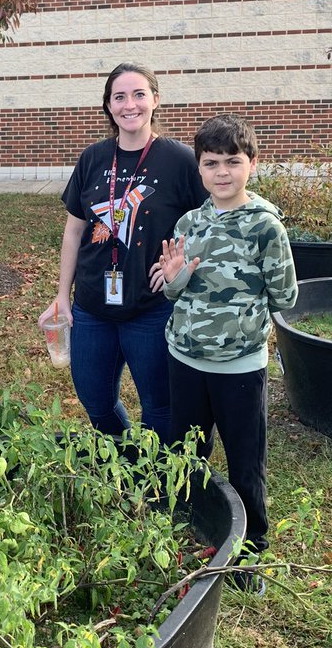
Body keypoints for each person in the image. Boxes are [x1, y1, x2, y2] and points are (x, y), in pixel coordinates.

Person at [160, 113, 298, 590]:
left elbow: (286, 298)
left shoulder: (266, 227)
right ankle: (193, 528)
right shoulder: (188, 222)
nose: (222, 172)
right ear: (199, 169)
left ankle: (247, 553)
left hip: (239, 367)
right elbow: (171, 290)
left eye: (232, 162)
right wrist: (175, 277)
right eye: (211, 163)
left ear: (252, 165)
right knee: (188, 452)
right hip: (186, 360)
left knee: (245, 460)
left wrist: (244, 310)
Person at [38, 63, 207, 443]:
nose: (129, 104)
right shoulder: (93, 159)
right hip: (93, 307)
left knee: (159, 405)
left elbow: (208, 224)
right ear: (109, 106)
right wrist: (62, 296)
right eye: (119, 97)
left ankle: (154, 479)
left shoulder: (179, 160)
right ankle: (123, 457)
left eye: (139, 94)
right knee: (95, 401)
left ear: (155, 100)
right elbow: (73, 230)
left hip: (152, 308)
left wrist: (181, 269)